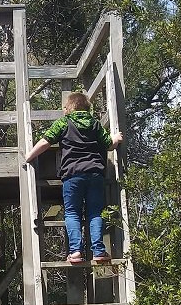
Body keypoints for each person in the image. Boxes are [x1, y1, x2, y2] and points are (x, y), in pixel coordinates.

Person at [24, 92, 123, 264]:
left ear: (68, 108)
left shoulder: (64, 123)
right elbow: (109, 145)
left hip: (72, 175)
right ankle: (99, 251)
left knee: (72, 213)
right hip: (95, 174)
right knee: (95, 212)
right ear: (87, 107)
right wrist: (116, 138)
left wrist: (29, 156)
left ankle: (76, 252)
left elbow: (46, 141)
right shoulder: (95, 124)